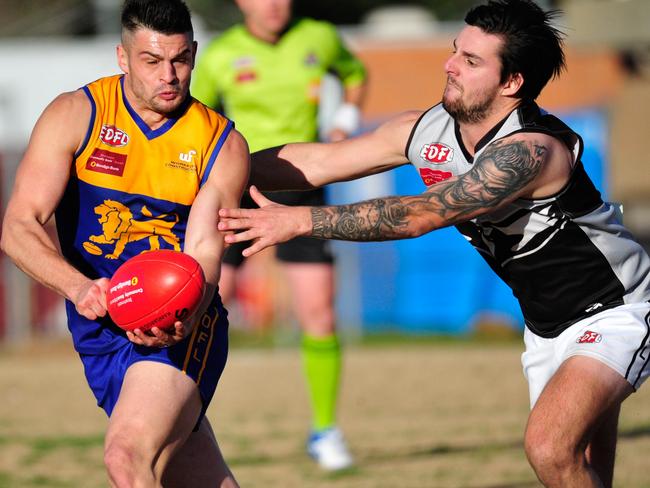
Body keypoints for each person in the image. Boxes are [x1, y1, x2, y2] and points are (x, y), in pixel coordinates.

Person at [217, 0, 650, 486]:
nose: (449, 65)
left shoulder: (532, 151)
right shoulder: (425, 129)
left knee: (549, 448)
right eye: (454, 51)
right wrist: (211, 167)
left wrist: (300, 221)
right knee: (582, 468)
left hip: (616, 310)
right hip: (546, 326)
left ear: (512, 83)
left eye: (471, 61)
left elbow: (418, 215)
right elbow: (319, 161)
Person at [0, 1, 249, 486]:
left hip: (177, 323)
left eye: (180, 59)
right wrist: (79, 289)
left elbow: (203, 252)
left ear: (195, 54)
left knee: (125, 457)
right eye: (152, 61)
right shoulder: (77, 114)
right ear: (122, 57)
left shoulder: (220, 142)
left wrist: (184, 314)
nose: (169, 75)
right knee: (193, 476)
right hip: (98, 325)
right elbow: (18, 227)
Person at [191, 0, 366, 471]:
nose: (272, 5)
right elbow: (195, 120)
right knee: (202, 304)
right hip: (235, 189)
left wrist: (344, 122)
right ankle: (186, 421)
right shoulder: (221, 54)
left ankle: (325, 431)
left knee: (319, 313)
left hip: (303, 191)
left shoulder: (319, 37)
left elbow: (354, 74)